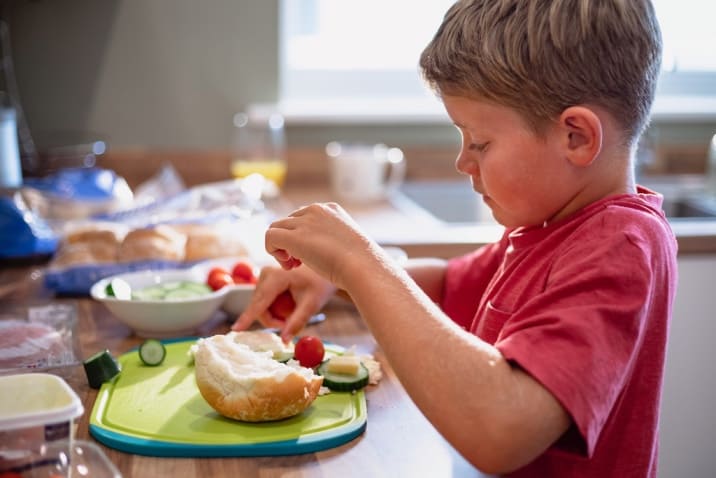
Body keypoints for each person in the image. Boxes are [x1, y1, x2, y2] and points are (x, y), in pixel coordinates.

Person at [233, 1, 676, 476]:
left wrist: (358, 263)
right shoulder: (548, 229)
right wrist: (335, 283)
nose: (463, 162)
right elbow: (446, 286)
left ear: (576, 138)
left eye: (480, 142)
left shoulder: (619, 244)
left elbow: (501, 430)